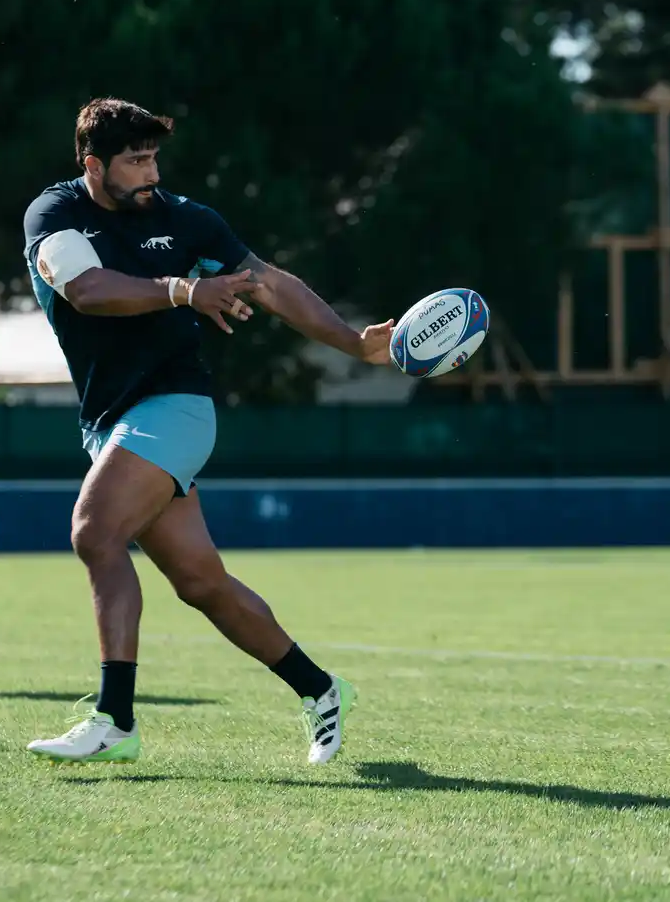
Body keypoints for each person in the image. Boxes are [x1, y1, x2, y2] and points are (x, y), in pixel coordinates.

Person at [22, 97, 394, 765]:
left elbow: (268, 284)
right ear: (93, 166)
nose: (151, 173)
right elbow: (88, 291)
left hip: (175, 406)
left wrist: (352, 341)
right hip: (110, 419)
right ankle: (322, 689)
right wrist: (184, 290)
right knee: (201, 582)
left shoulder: (187, 218)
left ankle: (114, 721)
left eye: (154, 158)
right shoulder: (55, 214)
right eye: (136, 161)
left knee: (94, 533)